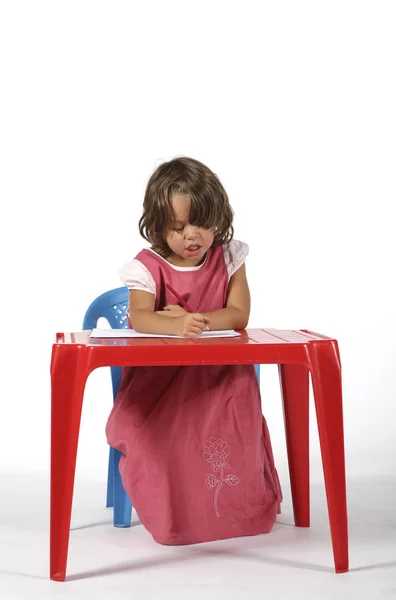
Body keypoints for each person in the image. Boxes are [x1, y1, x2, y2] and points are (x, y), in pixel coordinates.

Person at [106, 156, 282, 545]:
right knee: (163, 437)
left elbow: (239, 315)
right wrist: (172, 324)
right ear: (157, 225)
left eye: (201, 222)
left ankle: (234, 513)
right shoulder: (146, 267)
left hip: (221, 375)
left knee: (233, 425)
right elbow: (140, 317)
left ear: (218, 217)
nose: (192, 235)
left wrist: (192, 317)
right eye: (179, 226)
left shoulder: (230, 257)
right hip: (162, 381)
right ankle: (179, 515)